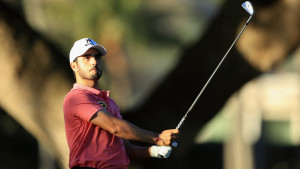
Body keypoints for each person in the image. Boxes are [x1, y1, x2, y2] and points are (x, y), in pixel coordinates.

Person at [63, 38, 179, 169]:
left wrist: (153, 151)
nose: (94, 61)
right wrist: (158, 138)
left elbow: (124, 148)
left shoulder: (109, 102)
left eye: (97, 57)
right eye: (87, 57)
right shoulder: (76, 97)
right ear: (74, 66)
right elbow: (116, 127)